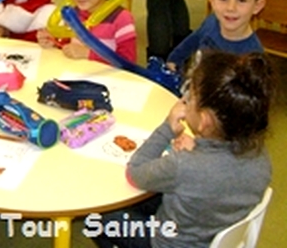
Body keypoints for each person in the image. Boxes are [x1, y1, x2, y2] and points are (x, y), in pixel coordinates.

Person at [92, 51, 274, 248]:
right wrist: (199, 148)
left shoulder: (183, 166)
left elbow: (134, 173)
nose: (185, 99)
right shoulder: (261, 158)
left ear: (204, 121)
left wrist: (167, 128)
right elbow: (220, 171)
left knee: (96, 217)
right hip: (210, 231)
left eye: (191, 97)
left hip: (167, 242)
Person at [167, 0, 266, 72]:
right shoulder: (212, 21)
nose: (230, 8)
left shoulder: (253, 56)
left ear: (257, 6)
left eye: (242, 0)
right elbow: (193, 41)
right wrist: (174, 60)